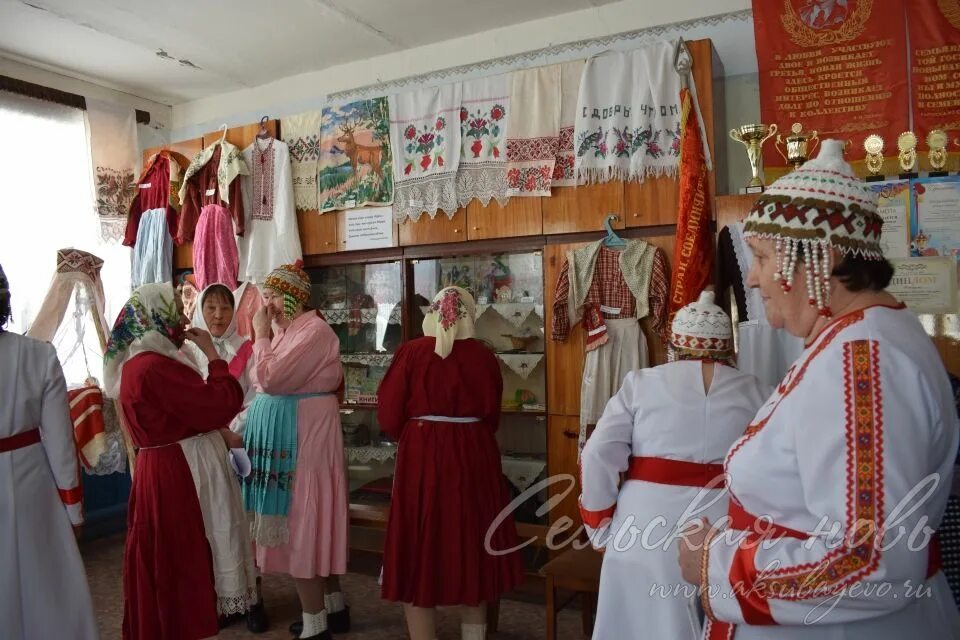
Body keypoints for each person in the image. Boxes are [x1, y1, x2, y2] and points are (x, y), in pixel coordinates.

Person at [677, 140, 960, 639]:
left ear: (820, 257)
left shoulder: (861, 361)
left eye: (762, 257)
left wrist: (716, 563)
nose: (756, 278)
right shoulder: (857, 341)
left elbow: (869, 560)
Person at [580, 289, 768, 639]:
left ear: (676, 344)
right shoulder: (759, 391)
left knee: (637, 621)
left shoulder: (641, 384)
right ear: (728, 347)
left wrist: (598, 523)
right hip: (722, 527)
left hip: (644, 523)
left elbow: (597, 453)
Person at [104, 282, 257, 640]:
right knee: (185, 560)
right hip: (178, 472)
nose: (181, 317)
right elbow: (219, 403)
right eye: (174, 309)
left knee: (171, 561)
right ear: (157, 318)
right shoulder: (154, 367)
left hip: (165, 466)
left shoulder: (140, 364)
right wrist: (214, 356)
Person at [377, 286, 524, 640]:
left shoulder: (411, 352)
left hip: (422, 454)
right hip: (473, 454)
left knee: (418, 546)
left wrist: (418, 433)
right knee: (473, 543)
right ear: (468, 315)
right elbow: (491, 414)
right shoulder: (483, 357)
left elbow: (389, 414)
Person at [243, 261, 349, 640]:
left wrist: (259, 337)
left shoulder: (313, 331)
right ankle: (333, 608)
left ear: (292, 298)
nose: (266, 305)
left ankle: (316, 622)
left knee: (308, 517)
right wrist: (267, 348)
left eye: (272, 296)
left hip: (307, 437)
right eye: (265, 296)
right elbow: (262, 377)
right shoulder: (289, 332)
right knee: (312, 517)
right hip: (301, 432)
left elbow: (268, 378)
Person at [0, 262, 100, 639]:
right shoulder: (38, 355)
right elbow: (60, 443)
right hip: (32, 488)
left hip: (29, 481)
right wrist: (73, 511)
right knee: (47, 587)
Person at [181, 283, 268, 633]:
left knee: (245, 524)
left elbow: (255, 396)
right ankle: (223, 598)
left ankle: (254, 598)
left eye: (225, 308)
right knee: (213, 526)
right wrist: (218, 429)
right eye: (212, 308)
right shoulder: (188, 351)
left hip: (238, 445)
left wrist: (234, 430)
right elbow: (188, 400)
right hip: (203, 447)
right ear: (201, 309)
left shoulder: (246, 348)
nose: (218, 316)